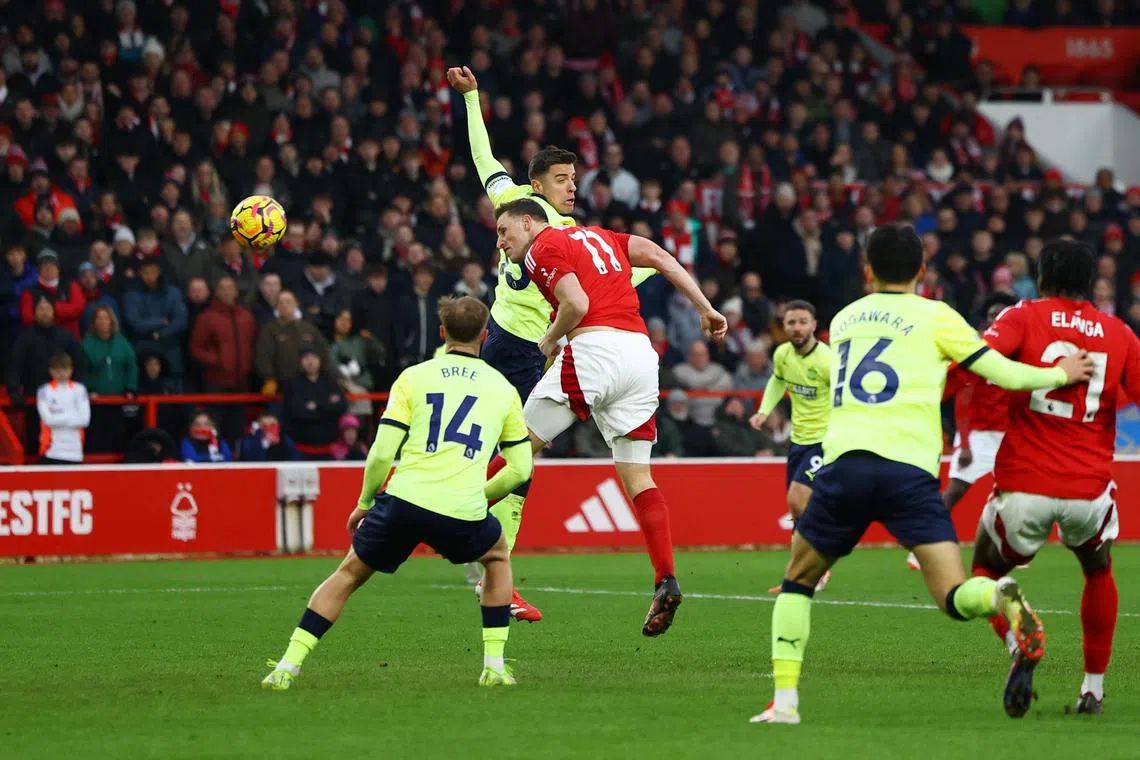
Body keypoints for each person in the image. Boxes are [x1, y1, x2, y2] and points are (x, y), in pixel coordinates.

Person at [752, 224, 1094, 726]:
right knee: (955, 597)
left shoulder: (845, 319)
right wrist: (1061, 373)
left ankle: (784, 704)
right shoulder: (938, 317)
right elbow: (1003, 373)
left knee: (799, 581)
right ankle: (996, 593)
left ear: (866, 269)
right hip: (908, 474)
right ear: (922, 270)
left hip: (845, 466)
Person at [451, 64, 657, 622]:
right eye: (564, 179)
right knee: (521, 462)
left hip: (498, 336)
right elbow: (591, 288)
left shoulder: (509, 201)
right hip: (531, 350)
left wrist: (472, 99)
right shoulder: (561, 233)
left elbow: (482, 159)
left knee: (487, 446)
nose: (573, 187)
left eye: (573, 178)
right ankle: (488, 559)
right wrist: (647, 270)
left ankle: (459, 531)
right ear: (540, 184)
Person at [261, 296, 533, 690]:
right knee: (497, 557)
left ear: (442, 333)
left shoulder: (413, 377)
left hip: (404, 498)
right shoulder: (503, 389)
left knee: (348, 574)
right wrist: (479, 493)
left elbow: (381, 454)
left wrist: (364, 503)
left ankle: (287, 665)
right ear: (486, 336)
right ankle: (493, 665)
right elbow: (522, 468)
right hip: (461, 507)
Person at [492, 198, 728, 636]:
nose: (502, 243)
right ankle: (665, 578)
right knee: (639, 477)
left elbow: (576, 304)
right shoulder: (603, 237)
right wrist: (704, 306)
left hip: (594, 349)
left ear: (529, 222)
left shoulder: (543, 246)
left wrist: (547, 340)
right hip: (640, 357)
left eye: (505, 231)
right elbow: (659, 256)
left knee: (517, 450)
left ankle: (441, 512)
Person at [971, 239, 1140, 717]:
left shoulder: (1023, 315)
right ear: (1092, 283)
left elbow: (979, 362)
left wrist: (1038, 371)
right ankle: (1093, 690)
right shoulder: (1119, 332)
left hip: (1025, 483)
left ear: (1041, 278)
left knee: (985, 574)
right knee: (1098, 570)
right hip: (1089, 489)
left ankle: (1018, 640)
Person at [906, 291, 1020, 572]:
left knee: (1014, 495)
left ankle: (1008, 551)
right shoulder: (978, 351)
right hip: (979, 435)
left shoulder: (1020, 351)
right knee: (955, 491)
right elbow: (963, 399)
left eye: (1002, 314)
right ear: (987, 320)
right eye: (992, 315)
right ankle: (920, 548)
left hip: (1009, 434)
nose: (997, 319)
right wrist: (966, 443)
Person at [748, 301, 833, 592]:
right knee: (797, 509)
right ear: (783, 327)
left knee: (798, 500)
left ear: (813, 325)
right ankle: (803, 572)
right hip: (798, 441)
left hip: (824, 440)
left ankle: (818, 565)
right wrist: (763, 410)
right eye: (791, 323)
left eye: (802, 322)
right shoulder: (783, 353)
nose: (796, 328)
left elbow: (844, 399)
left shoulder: (827, 361)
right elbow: (777, 381)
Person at [81, 305, 137, 454]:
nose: (102, 322)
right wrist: (90, 389)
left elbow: (131, 365)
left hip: (118, 399)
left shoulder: (121, 342)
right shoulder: (87, 344)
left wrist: (130, 387)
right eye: (99, 318)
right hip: (96, 401)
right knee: (97, 436)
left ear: (111, 321)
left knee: (118, 434)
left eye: (105, 318)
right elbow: (83, 370)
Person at [283, 348, 347, 460]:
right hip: (300, 448)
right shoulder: (294, 385)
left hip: (329, 448)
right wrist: (326, 407)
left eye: (313, 358)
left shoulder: (330, 383)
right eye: (306, 358)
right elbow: (295, 412)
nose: (310, 362)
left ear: (320, 360)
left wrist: (316, 407)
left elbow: (341, 407)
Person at [36, 352, 90, 465]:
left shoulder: (79, 389)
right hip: (50, 451)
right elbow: (48, 421)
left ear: (71, 370)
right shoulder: (43, 391)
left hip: (75, 452)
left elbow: (85, 420)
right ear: (51, 371)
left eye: (64, 369)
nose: (61, 373)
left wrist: (57, 416)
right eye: (57, 370)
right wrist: (73, 415)